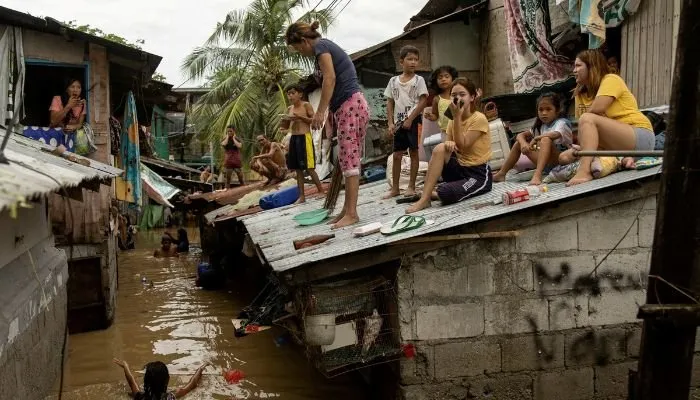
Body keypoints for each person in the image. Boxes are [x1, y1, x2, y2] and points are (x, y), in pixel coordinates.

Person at [285, 21, 370, 229]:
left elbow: (330, 79)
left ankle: (352, 213)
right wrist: (331, 112)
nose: (300, 52)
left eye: (298, 48)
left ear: (304, 41)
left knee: (349, 160)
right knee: (345, 158)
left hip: (351, 104)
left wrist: (321, 111)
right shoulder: (321, 51)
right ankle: (346, 210)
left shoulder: (321, 46)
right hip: (345, 106)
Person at [565, 49, 655, 186]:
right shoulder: (580, 94)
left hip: (639, 135)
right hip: (614, 145)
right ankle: (620, 161)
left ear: (592, 66)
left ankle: (584, 172)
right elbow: (582, 129)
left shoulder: (611, 79)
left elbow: (597, 109)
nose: (574, 70)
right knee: (563, 157)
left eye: (578, 66)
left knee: (587, 119)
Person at [406, 78, 493, 214]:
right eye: (454, 95)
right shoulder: (453, 120)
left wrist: (457, 117)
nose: (457, 98)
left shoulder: (479, 118)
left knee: (445, 193)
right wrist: (448, 142)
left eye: (462, 94)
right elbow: (451, 144)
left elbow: (462, 146)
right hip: (459, 168)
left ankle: (435, 193)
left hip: (477, 174)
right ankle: (425, 198)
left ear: (472, 97)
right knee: (440, 148)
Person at [493, 92, 573, 185]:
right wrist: (523, 144)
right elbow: (520, 135)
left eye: (548, 109)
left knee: (545, 139)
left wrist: (536, 139)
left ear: (557, 110)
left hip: (562, 162)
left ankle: (537, 174)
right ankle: (502, 173)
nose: (544, 113)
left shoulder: (562, 123)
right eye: (541, 110)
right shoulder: (541, 126)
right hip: (547, 165)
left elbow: (555, 134)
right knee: (518, 143)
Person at [383, 45, 429, 200]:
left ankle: (411, 187)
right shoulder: (393, 81)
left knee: (414, 152)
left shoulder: (419, 80)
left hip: (413, 120)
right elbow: (390, 102)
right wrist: (390, 122)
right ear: (401, 61)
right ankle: (395, 188)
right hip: (398, 122)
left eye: (416, 59)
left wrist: (410, 119)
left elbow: (423, 101)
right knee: (397, 155)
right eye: (410, 59)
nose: (413, 62)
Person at [282, 84, 325, 203]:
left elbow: (313, 120)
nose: (290, 96)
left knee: (309, 167)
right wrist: (284, 124)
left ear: (300, 94)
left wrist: (300, 117)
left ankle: (321, 190)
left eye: (292, 93)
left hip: (304, 137)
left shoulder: (306, 105)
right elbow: (285, 127)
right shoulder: (289, 108)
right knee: (297, 169)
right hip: (294, 138)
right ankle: (302, 196)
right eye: (288, 94)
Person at [113, 358, 210, 399]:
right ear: (167, 379)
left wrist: (125, 366)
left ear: (146, 381)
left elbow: (131, 381)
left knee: (130, 394)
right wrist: (201, 368)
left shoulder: (140, 397)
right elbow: (192, 384)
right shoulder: (171, 397)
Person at [424, 65, 458, 134]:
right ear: (436, 82)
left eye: (446, 76)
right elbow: (435, 116)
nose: (443, 79)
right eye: (440, 78)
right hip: (444, 132)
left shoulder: (458, 96)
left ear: (453, 79)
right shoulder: (437, 99)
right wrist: (431, 116)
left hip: (459, 130)